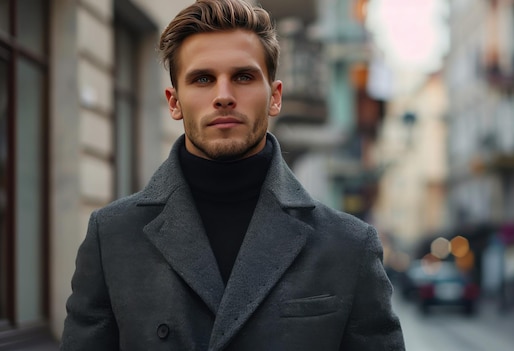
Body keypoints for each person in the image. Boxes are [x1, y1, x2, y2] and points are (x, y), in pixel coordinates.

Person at [60, 0, 405, 350]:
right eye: (203, 79)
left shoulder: (348, 245)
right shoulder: (113, 237)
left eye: (243, 76)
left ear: (275, 96)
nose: (223, 96)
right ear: (174, 101)